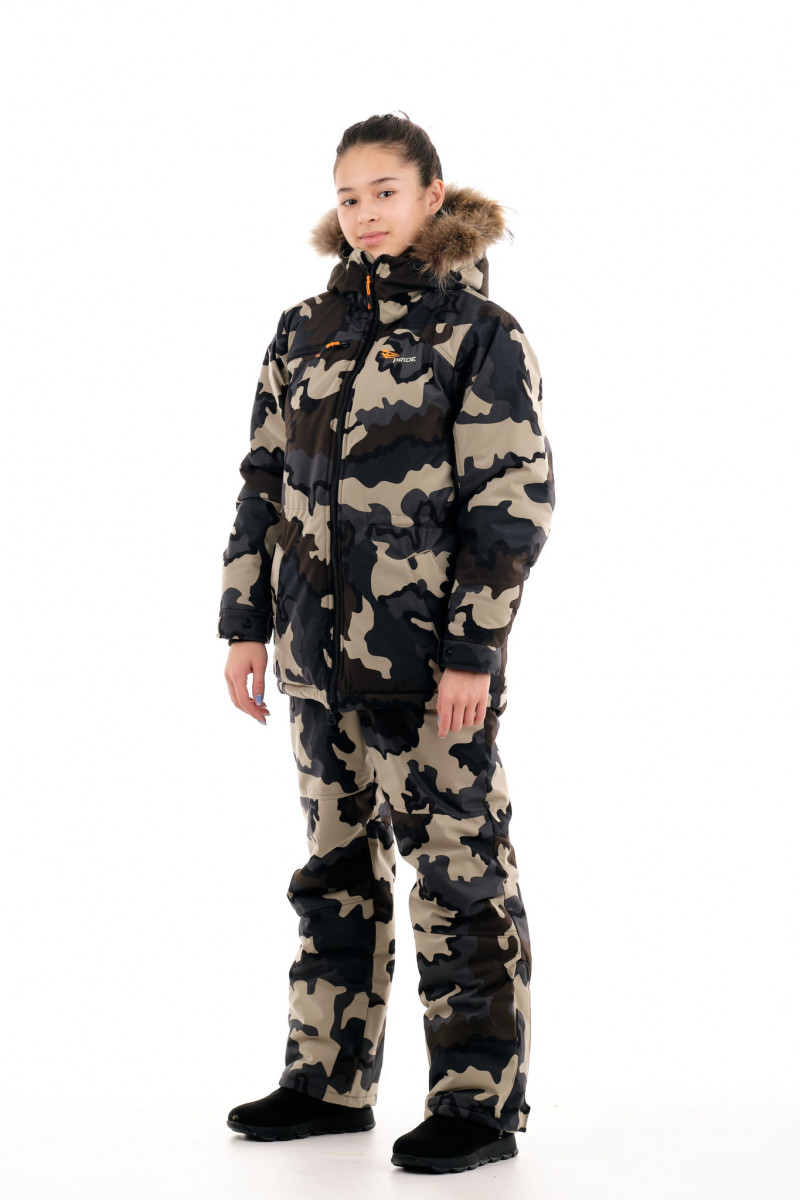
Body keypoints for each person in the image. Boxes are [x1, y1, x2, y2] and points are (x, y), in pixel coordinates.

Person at [217, 111, 555, 1174]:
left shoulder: (478, 335)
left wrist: (472, 653)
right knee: (333, 872)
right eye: (349, 195)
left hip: (428, 669)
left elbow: (510, 505)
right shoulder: (303, 330)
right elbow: (263, 483)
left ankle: (476, 1103)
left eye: (385, 192)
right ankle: (326, 1081)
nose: (365, 212)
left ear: (431, 196)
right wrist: (244, 624)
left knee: (459, 877)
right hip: (316, 665)